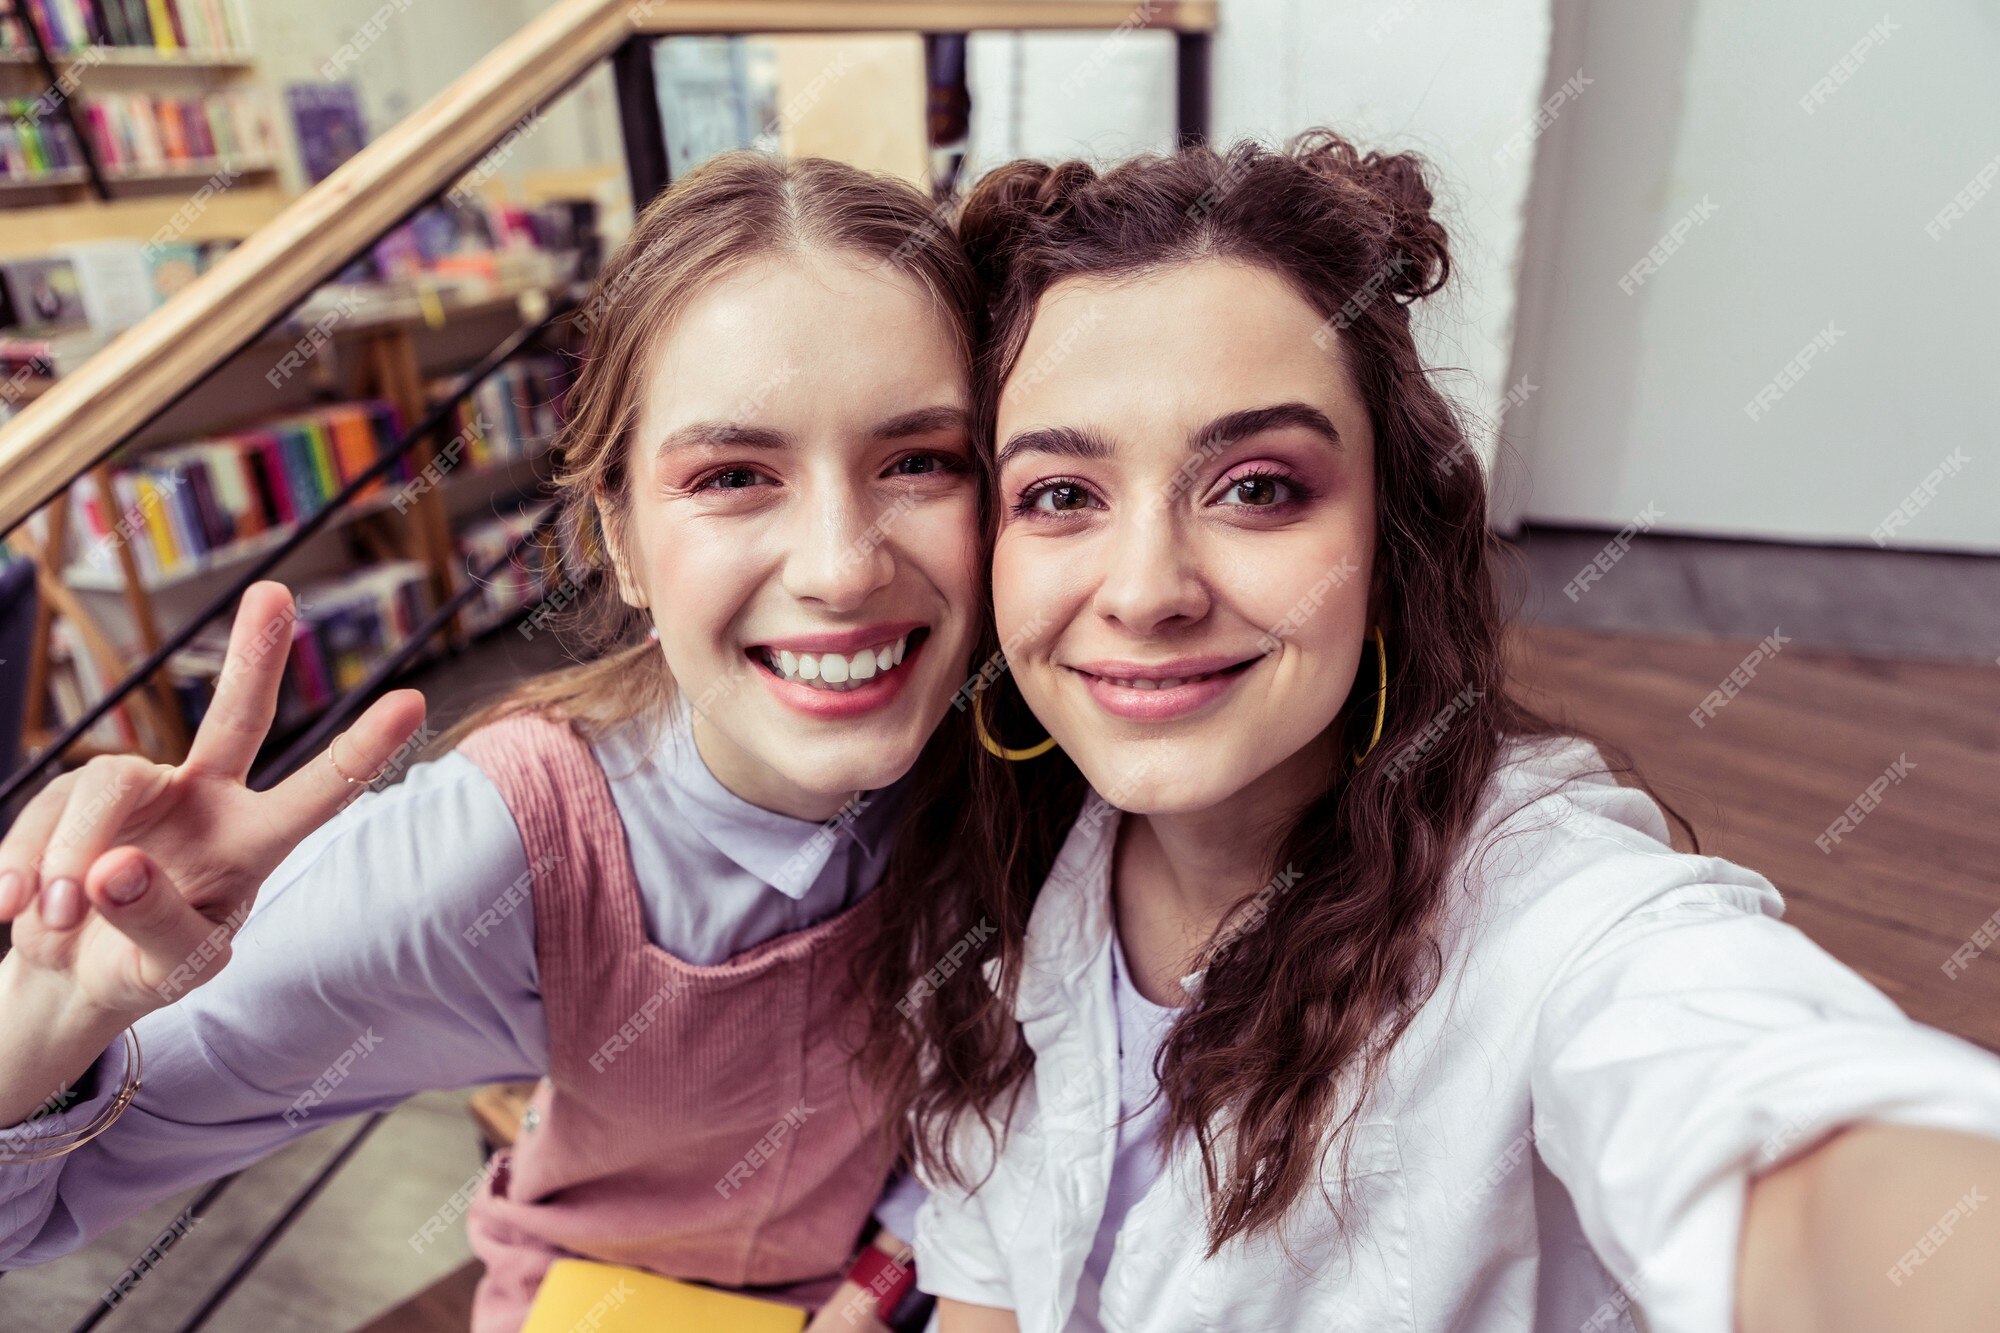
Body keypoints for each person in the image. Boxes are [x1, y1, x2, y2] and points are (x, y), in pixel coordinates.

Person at [897, 134, 2000, 1332]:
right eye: (1061, 495)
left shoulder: (1547, 920)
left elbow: (1775, 1126)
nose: (1146, 588)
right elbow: (990, 1284)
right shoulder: (1005, 866)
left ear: (1388, 540)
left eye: (1258, 486)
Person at [0, 151, 1003, 1332]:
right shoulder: (492, 855)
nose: (842, 566)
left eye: (919, 462)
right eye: (733, 474)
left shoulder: (1008, 740)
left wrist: (881, 1274)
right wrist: (53, 1013)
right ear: (617, 536)